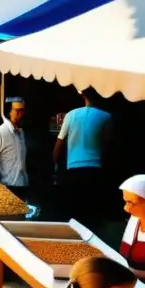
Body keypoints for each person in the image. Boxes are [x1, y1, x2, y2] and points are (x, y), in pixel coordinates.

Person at [54, 89, 112, 226]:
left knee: (75, 211)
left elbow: (59, 144)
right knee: (92, 211)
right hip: (95, 168)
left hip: (73, 168)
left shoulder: (71, 115)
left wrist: (56, 165)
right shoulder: (106, 117)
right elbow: (108, 144)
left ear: (82, 95)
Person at [0, 98, 29, 195]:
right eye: (17, 111)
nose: (20, 114)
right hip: (7, 186)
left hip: (22, 184)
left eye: (23, 111)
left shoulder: (21, 133)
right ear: (9, 112)